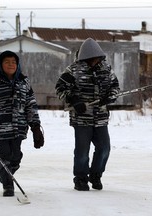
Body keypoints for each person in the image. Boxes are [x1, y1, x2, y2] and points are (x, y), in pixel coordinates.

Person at [0, 50, 44, 197]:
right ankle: (8, 184)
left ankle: (5, 172)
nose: (11, 64)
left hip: (19, 127)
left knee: (16, 155)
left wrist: (36, 127)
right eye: (7, 62)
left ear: (17, 64)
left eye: (13, 62)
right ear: (1, 65)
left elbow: (31, 105)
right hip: (0, 128)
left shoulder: (24, 83)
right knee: (5, 154)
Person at [55, 38, 120, 191]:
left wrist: (109, 97)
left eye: (96, 58)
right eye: (90, 59)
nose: (94, 61)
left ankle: (96, 175)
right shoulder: (73, 70)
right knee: (82, 151)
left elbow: (115, 87)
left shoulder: (106, 69)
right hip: (81, 119)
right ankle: (80, 178)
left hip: (101, 118)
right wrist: (73, 100)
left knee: (104, 148)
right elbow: (60, 88)